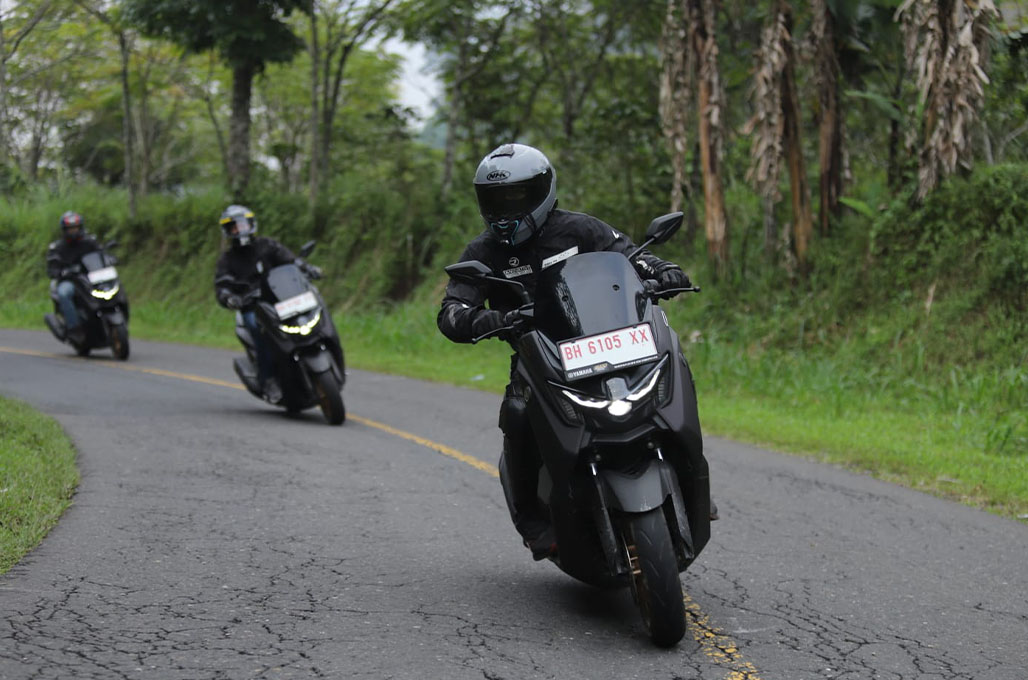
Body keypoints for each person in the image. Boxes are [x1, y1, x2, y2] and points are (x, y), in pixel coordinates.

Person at [437, 143, 697, 560]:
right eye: (494, 200)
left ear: (542, 191)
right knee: (517, 418)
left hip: (605, 340)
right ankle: (534, 521)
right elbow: (452, 312)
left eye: (515, 197)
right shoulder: (481, 253)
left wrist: (661, 270)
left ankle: (688, 471)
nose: (504, 210)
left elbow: (630, 256)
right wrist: (491, 321)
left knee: (673, 368)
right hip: (538, 357)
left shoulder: (579, 229)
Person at [213, 204, 318, 405]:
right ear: (228, 231)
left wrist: (306, 268)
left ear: (251, 224)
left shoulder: (267, 246)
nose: (240, 230)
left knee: (309, 308)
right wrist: (229, 298)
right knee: (257, 327)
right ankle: (268, 379)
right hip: (252, 307)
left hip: (280, 299)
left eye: (243, 225)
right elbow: (222, 285)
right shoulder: (227, 260)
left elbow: (290, 261)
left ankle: (318, 346)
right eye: (234, 227)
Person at [46, 211, 99, 343]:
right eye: (70, 229)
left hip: (90, 278)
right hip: (70, 281)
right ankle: (74, 328)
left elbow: (101, 255)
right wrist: (60, 272)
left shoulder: (90, 242)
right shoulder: (58, 247)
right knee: (64, 293)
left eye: (75, 227)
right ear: (64, 230)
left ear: (80, 227)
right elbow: (52, 267)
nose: (73, 231)